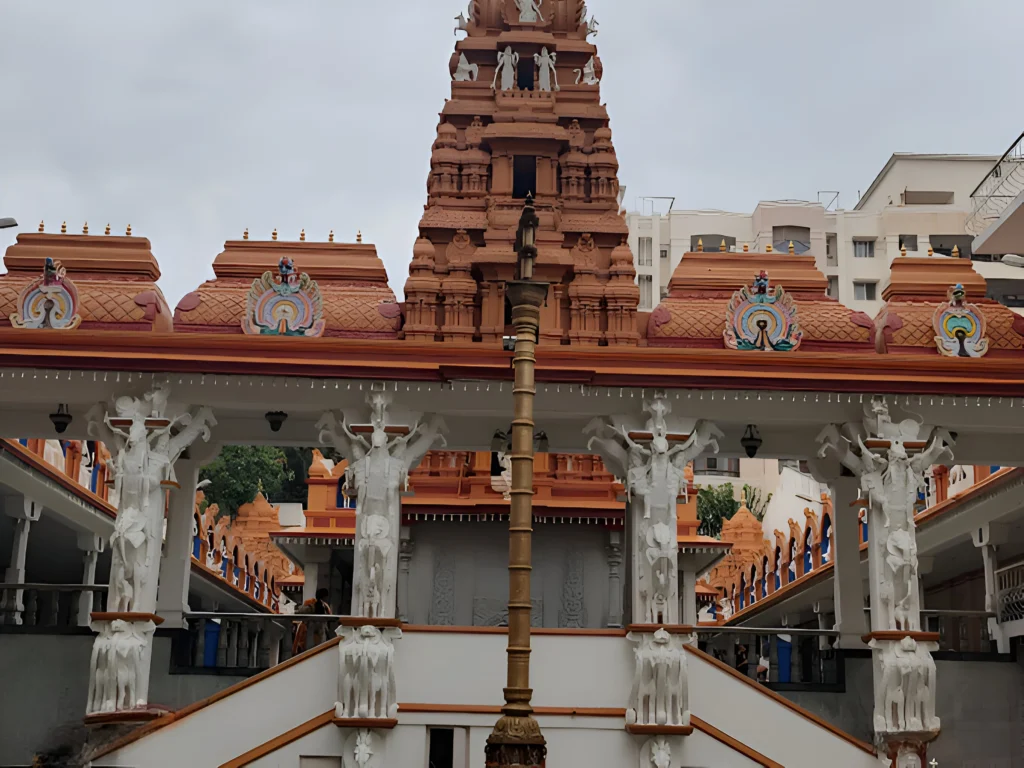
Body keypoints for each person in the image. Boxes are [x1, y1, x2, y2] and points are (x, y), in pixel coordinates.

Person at [292, 588, 332, 655]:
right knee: (316, 650)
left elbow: (299, 611)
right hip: (315, 631)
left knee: (311, 650)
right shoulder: (321, 606)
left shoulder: (320, 606)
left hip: (313, 632)